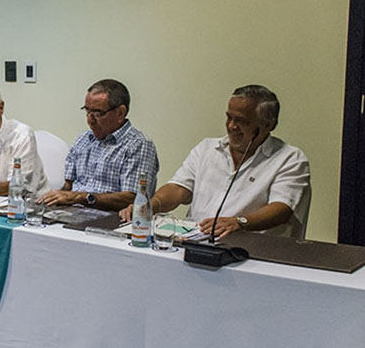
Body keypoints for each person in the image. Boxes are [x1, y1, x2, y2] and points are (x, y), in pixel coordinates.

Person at [120, 85, 311, 238]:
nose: (231, 126)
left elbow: (282, 208)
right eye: (229, 117)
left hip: (252, 249)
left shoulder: (289, 158)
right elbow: (178, 189)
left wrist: (239, 222)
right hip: (197, 240)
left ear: (268, 125)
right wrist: (152, 205)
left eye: (241, 121)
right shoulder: (207, 148)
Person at [39, 79, 159, 211]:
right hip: (73, 214)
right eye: (87, 111)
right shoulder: (83, 139)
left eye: (97, 114)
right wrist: (52, 199)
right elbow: (68, 187)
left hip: (112, 220)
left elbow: (133, 198)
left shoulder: (138, 145)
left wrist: (82, 197)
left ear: (120, 113)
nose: (90, 120)